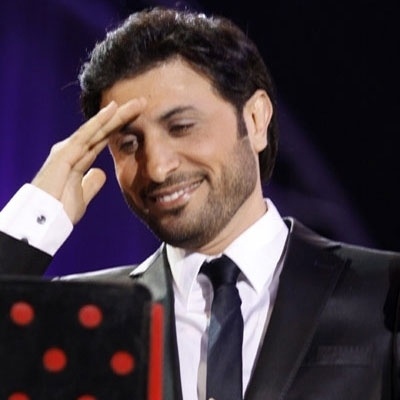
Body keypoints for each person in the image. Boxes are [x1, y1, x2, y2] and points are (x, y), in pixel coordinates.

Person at [0, 6, 399, 400]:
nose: (157, 167)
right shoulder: (80, 314)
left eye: (181, 127)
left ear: (256, 120)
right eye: (128, 143)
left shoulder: (384, 289)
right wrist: (32, 221)